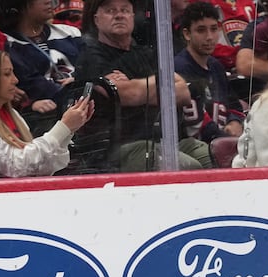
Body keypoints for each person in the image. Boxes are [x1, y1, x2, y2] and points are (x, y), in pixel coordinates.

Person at [76, 0, 213, 172]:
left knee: (214, 157)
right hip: (118, 148)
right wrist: (158, 85)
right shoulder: (91, 55)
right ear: (96, 19)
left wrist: (137, 87)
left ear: (133, 17)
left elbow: (183, 93)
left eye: (125, 10)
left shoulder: (146, 53)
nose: (119, 15)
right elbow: (124, 94)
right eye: (110, 10)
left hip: (164, 141)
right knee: (190, 167)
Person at [0, 48, 94, 178]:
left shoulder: (12, 114)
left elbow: (42, 167)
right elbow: (16, 165)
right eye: (7, 74)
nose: (15, 80)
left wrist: (69, 130)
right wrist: (64, 127)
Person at [0, 0, 83, 134]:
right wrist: (83, 84)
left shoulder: (71, 33)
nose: (49, 1)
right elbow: (37, 87)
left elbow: (92, 68)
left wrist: (81, 79)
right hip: (46, 122)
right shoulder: (6, 44)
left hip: (84, 112)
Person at [175, 1, 244, 144]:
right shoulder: (180, 67)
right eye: (201, 30)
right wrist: (230, 143)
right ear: (187, 34)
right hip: (193, 147)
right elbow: (198, 125)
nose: (209, 37)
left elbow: (234, 105)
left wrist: (235, 122)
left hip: (221, 144)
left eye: (214, 29)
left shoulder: (216, 66)